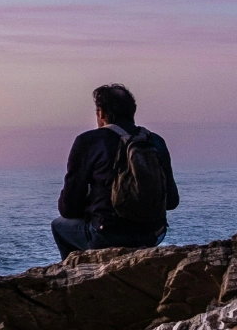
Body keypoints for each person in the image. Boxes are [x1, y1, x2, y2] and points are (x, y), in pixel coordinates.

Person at [52, 83, 178, 259]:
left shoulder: (89, 141)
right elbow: (171, 201)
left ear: (101, 113)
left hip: (107, 235)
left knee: (59, 225)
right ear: (132, 112)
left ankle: (74, 276)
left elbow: (68, 208)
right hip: (153, 234)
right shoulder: (155, 141)